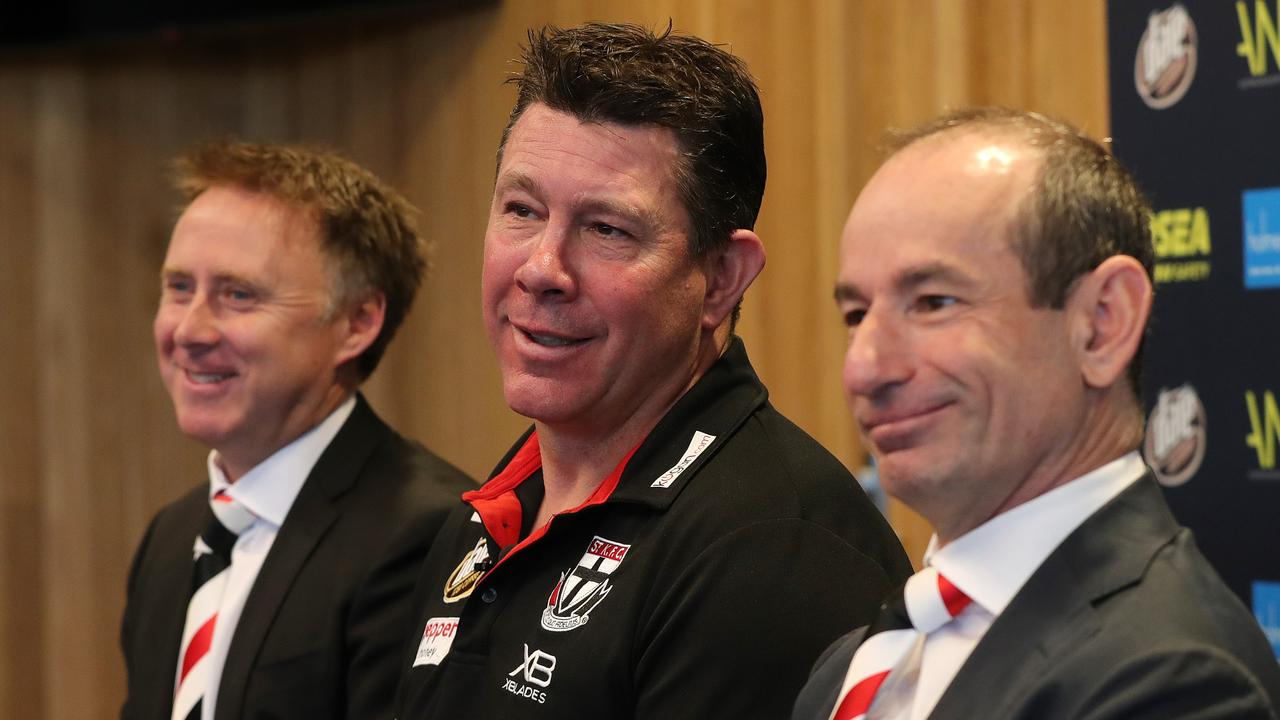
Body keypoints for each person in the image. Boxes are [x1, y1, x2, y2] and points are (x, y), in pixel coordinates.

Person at [395, 22, 912, 720]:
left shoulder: (771, 547)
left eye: (607, 229)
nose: (542, 268)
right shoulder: (488, 519)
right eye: (522, 210)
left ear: (722, 278)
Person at [794, 108, 1280, 720]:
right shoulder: (857, 661)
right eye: (857, 314)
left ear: (1102, 324)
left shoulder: (1175, 679)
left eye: (933, 302)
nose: (865, 369)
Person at [120, 140, 474, 720]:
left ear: (357, 323)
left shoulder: (429, 535)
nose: (189, 330)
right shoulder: (171, 537)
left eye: (238, 294)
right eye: (179, 287)